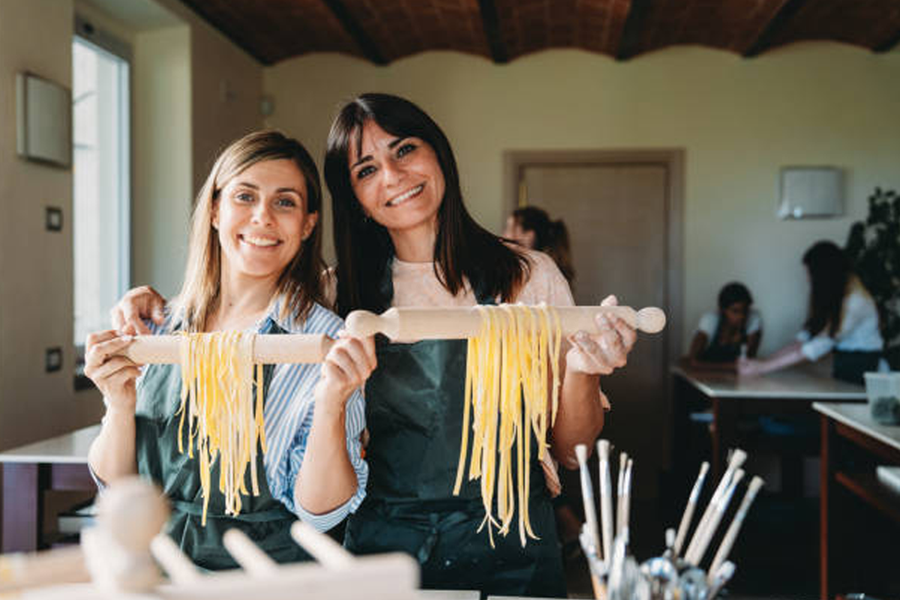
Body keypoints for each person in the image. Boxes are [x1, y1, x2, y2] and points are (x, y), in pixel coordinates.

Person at [110, 94, 636, 596]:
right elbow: (244, 305)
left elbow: (571, 451)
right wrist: (157, 305)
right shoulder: (339, 294)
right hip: (381, 549)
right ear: (355, 199)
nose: (393, 176)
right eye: (366, 170)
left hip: (512, 538)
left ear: (438, 154)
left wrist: (582, 371)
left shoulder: (527, 277)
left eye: (405, 149)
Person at [87, 131, 376, 570]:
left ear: (308, 224)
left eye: (285, 202)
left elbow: (322, 513)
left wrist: (332, 401)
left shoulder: (325, 342)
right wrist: (119, 403)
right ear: (217, 210)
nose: (263, 217)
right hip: (153, 564)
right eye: (245, 196)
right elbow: (116, 484)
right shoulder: (157, 327)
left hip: (269, 574)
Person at [738, 240, 884, 384]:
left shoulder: (856, 301)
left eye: (810, 274)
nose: (808, 280)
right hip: (846, 369)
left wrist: (763, 367)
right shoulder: (837, 295)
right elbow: (803, 339)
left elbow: (819, 345)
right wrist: (761, 363)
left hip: (863, 372)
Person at [687, 282, 762, 371]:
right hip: (704, 375)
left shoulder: (753, 319)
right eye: (735, 311)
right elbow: (693, 361)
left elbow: (749, 359)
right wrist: (733, 366)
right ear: (723, 310)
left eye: (745, 311)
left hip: (734, 378)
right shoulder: (710, 320)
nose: (741, 316)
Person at [503, 206, 576, 284]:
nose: (503, 235)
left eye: (508, 228)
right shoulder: (549, 270)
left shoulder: (537, 275)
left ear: (529, 236)